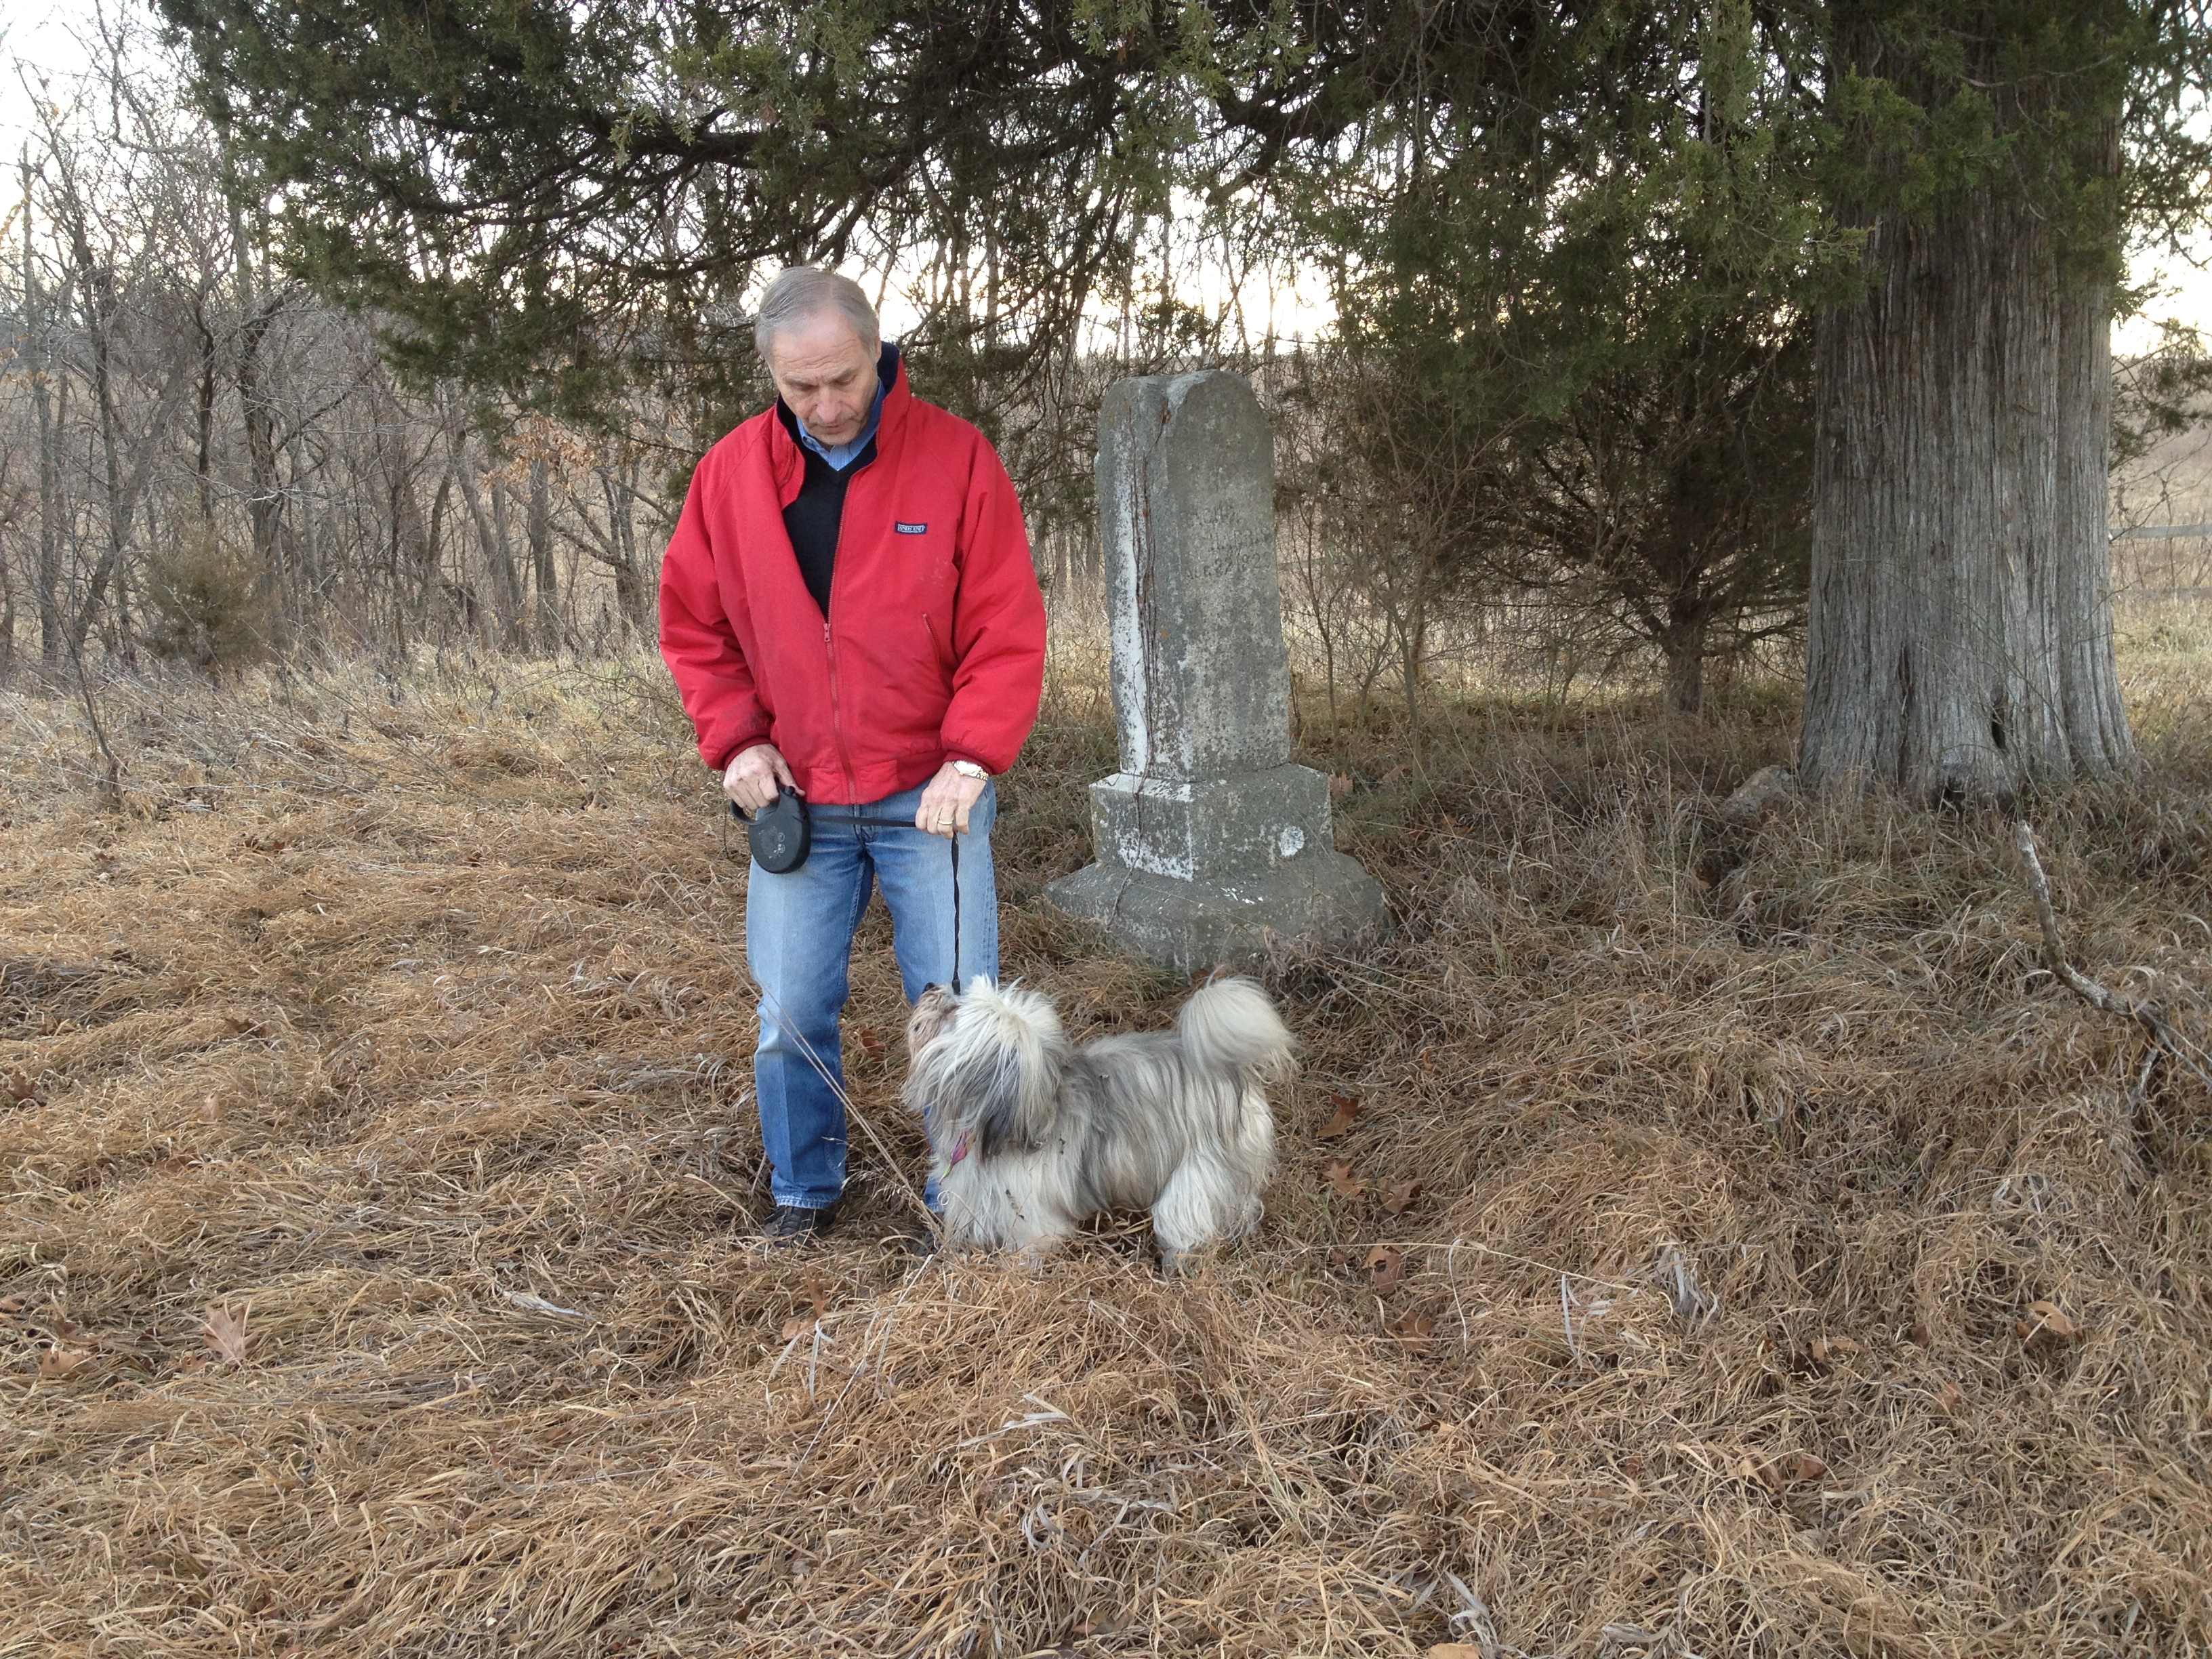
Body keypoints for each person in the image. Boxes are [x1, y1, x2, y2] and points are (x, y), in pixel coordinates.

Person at [659, 268, 1047, 1244]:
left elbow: (1006, 626)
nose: (828, 405)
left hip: (933, 794)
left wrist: (973, 757)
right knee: (791, 1010)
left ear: (879, 352)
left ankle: (967, 1202)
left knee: (962, 1015)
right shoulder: (728, 478)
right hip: (799, 798)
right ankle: (805, 1189)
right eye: (802, 387)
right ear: (771, 374)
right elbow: (695, 629)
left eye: (844, 378)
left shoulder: (957, 460)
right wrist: (737, 741)